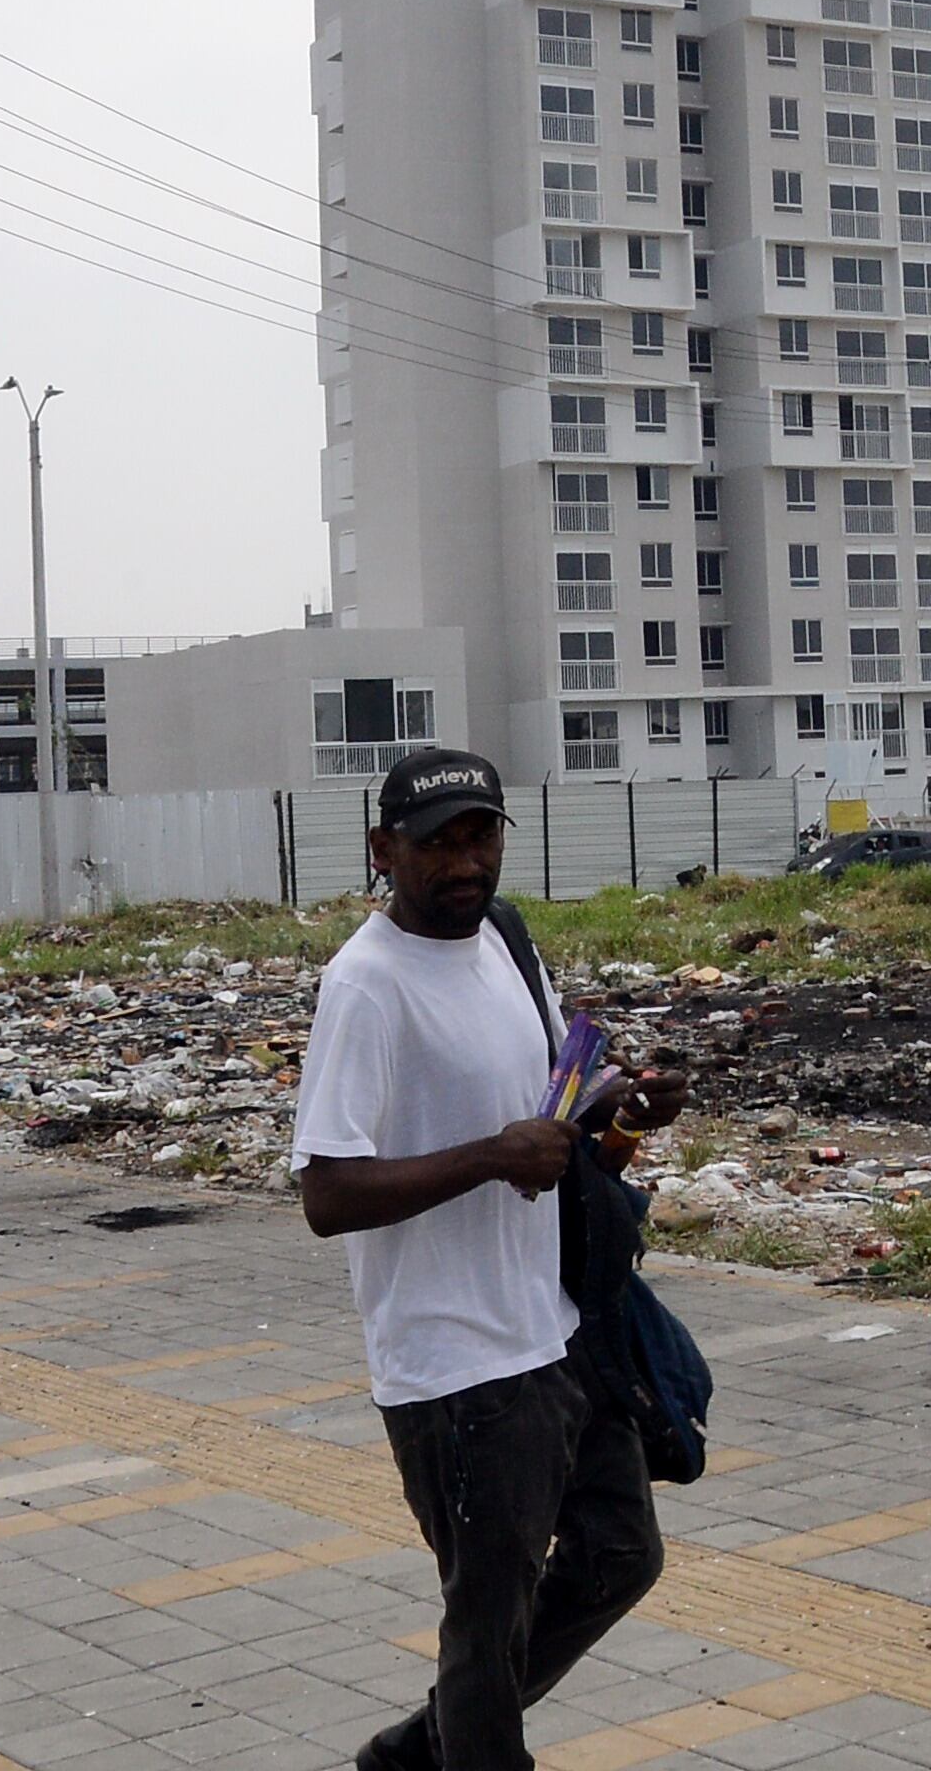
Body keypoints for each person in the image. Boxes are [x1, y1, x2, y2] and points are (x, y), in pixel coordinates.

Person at [294, 749, 690, 1771]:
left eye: (483, 835)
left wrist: (617, 1103)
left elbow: (553, 1089)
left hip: (556, 1329)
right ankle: (459, 1742)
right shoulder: (366, 986)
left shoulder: (505, 939)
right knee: (487, 1628)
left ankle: (418, 1750)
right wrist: (489, 1157)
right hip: (455, 1371)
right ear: (385, 851)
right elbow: (328, 1193)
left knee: (618, 1555)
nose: (467, 861)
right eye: (440, 843)